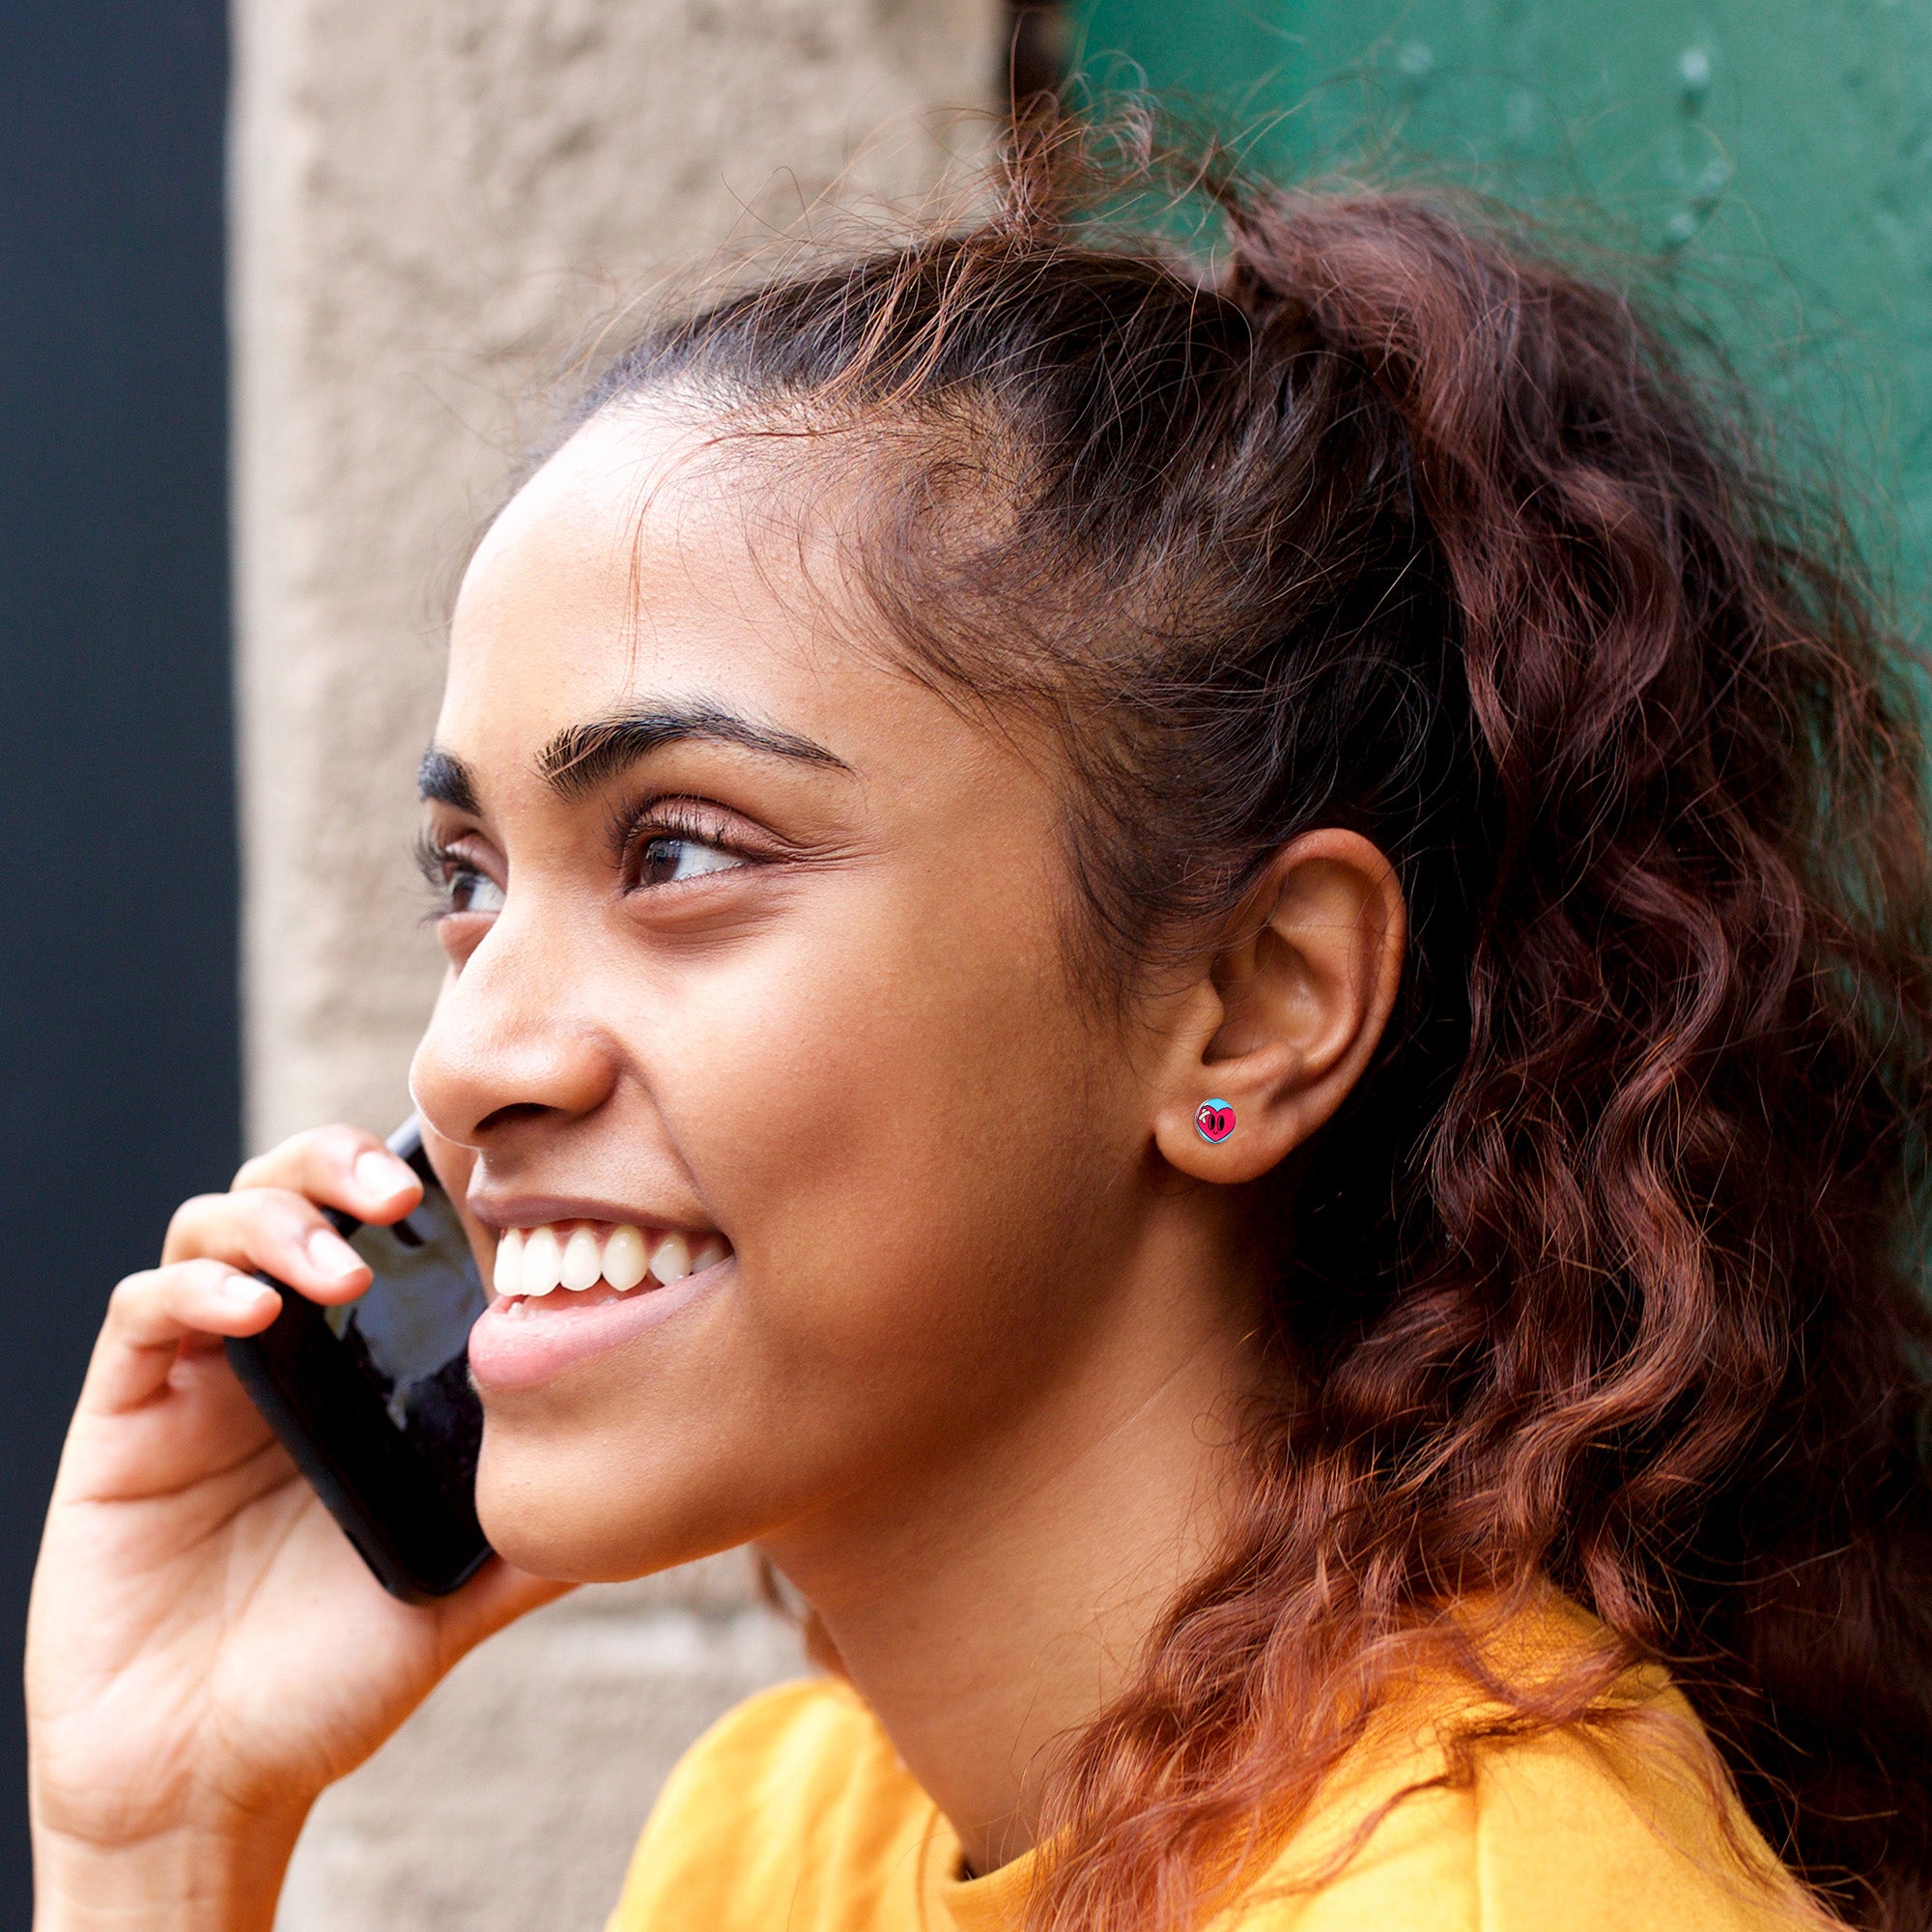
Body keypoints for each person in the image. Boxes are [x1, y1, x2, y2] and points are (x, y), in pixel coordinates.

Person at [26, 126, 1932, 1932]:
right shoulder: (779, 1838)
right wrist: (157, 1840)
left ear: (1256, 1006)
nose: (469, 1060)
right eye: (467, 877)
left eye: (679, 849)